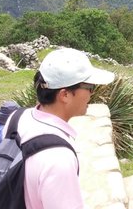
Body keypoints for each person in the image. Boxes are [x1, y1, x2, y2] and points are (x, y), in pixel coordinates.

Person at [12, 48, 114, 209]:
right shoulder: (59, 160)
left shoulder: (17, 119)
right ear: (65, 95)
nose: (91, 94)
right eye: (89, 87)